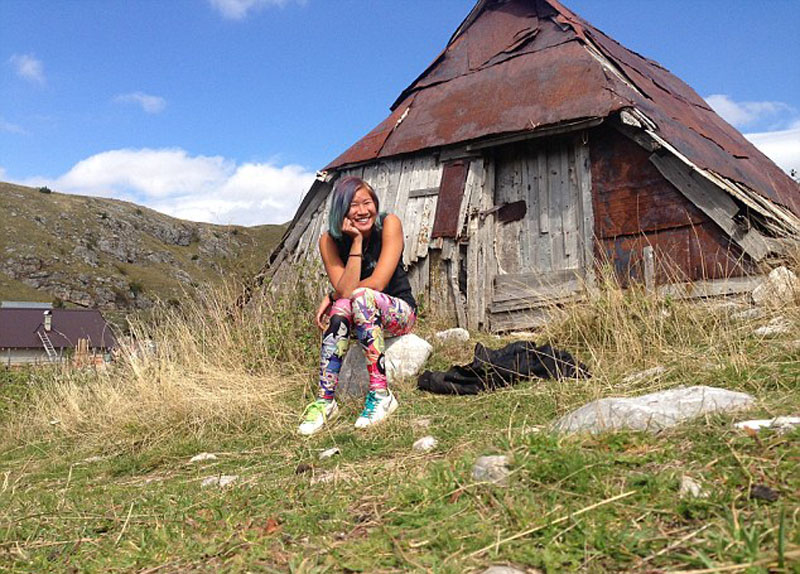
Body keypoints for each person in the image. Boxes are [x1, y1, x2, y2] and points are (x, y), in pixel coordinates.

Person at [298, 176, 417, 435]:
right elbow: (345, 290)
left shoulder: (389, 224)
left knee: (356, 297)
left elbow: (377, 282)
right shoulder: (328, 241)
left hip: (399, 313)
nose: (363, 211)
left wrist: (333, 295)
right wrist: (356, 242)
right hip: (360, 314)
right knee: (343, 306)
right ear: (341, 210)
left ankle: (380, 394)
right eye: (354, 205)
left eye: (368, 202)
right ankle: (325, 400)